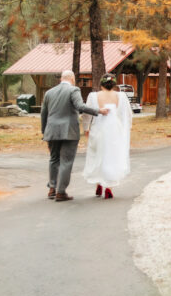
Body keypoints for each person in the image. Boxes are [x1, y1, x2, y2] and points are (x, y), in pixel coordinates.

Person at [41, 70, 107, 202]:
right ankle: (61, 192)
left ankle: (52, 188)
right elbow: (79, 106)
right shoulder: (73, 90)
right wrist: (98, 111)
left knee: (54, 159)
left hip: (52, 130)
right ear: (72, 78)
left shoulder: (49, 92)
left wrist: (44, 132)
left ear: (61, 79)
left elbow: (44, 113)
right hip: (69, 131)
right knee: (66, 161)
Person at [81, 74, 132, 199]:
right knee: (111, 156)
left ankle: (99, 183)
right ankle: (108, 187)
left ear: (101, 84)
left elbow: (86, 114)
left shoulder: (93, 96)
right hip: (114, 130)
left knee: (97, 155)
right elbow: (128, 114)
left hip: (98, 129)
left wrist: (86, 128)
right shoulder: (121, 96)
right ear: (114, 84)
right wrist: (126, 128)